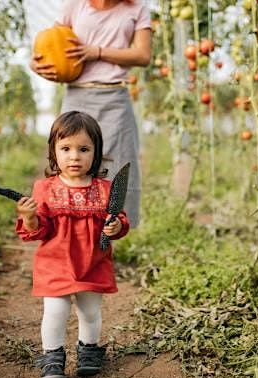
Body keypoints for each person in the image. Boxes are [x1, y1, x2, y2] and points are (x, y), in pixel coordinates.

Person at [15, 111, 130, 378]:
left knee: (90, 312)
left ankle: (88, 351)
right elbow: (38, 230)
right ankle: (52, 357)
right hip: (55, 263)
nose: (74, 156)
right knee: (56, 311)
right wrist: (29, 216)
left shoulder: (104, 189)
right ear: (53, 153)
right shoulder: (45, 188)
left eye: (84, 149)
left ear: (96, 153)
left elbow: (118, 218)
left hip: (93, 262)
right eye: (65, 149)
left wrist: (116, 227)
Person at [30, 0, 152, 229]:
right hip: (77, 95)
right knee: (70, 163)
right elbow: (52, 40)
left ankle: (112, 230)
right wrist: (36, 63)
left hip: (114, 96)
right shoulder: (75, 6)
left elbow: (143, 55)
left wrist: (97, 52)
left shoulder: (137, 9)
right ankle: (67, 226)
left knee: (118, 164)